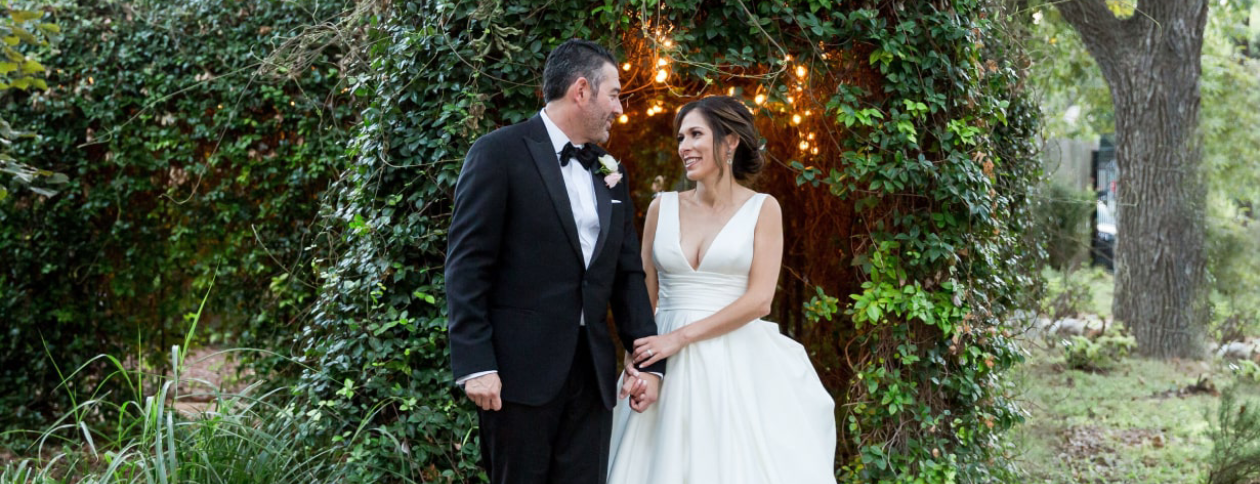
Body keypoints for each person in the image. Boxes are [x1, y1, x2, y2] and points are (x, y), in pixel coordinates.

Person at [445, 38, 665, 484]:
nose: (619, 109)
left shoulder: (611, 172)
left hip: (593, 379)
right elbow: (467, 266)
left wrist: (648, 363)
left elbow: (627, 274)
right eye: (615, 94)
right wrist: (476, 364)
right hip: (516, 378)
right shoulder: (498, 153)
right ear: (581, 91)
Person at [608, 96, 837, 484]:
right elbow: (642, 295)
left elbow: (760, 299)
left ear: (730, 141)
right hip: (663, 364)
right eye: (681, 137)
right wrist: (639, 358)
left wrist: (679, 338)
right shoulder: (661, 208)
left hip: (735, 361)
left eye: (696, 134)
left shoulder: (764, 209)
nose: (684, 147)